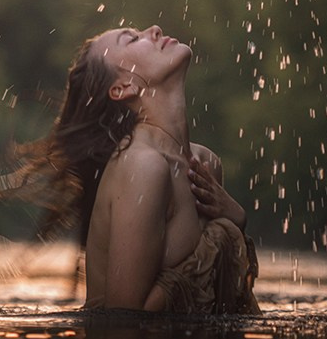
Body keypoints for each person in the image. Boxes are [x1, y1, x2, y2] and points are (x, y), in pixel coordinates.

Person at [28, 24, 260, 313]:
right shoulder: (141, 166)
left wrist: (236, 217)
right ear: (122, 88)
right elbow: (125, 317)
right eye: (133, 38)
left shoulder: (206, 164)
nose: (155, 29)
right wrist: (217, 237)